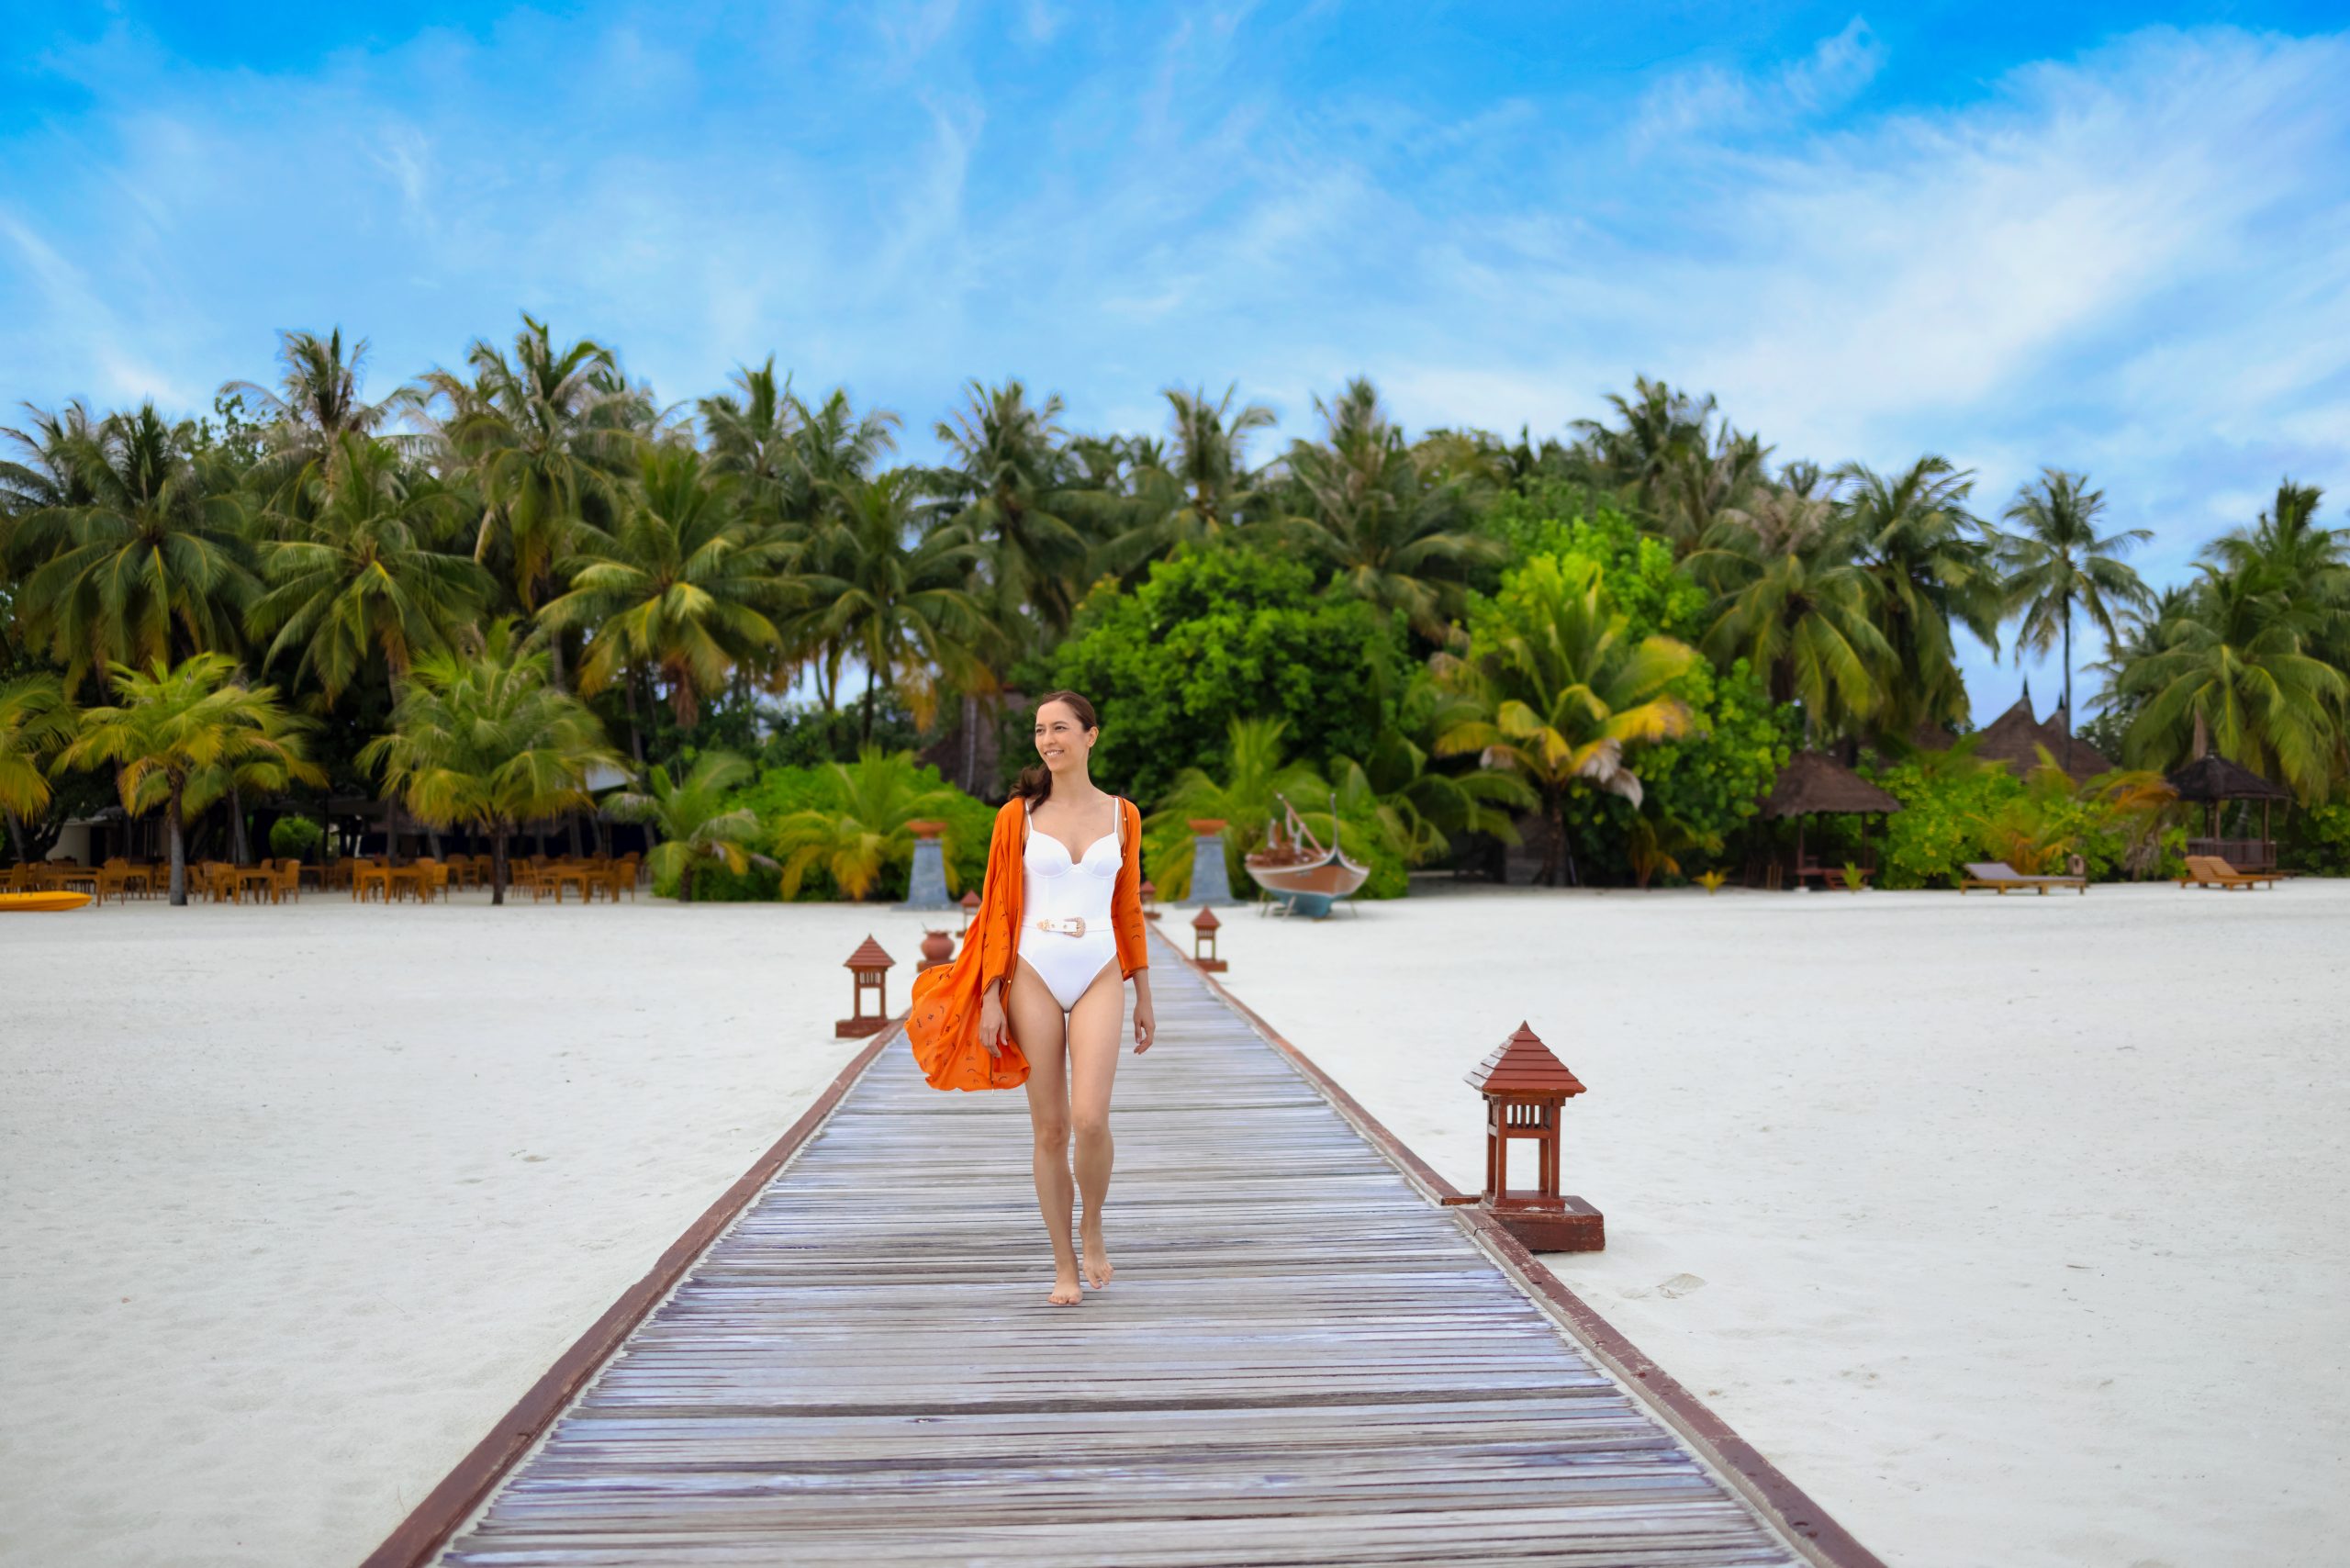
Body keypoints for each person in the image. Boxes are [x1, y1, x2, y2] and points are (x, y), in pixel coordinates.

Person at [973, 690, 1156, 1305]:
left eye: (1060, 729)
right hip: (1031, 970)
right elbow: (998, 908)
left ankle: (1093, 1223)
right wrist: (992, 994)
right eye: (1039, 731)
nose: (1048, 740)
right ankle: (1063, 1267)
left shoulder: (1123, 815)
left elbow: (1128, 907)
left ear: (1090, 736)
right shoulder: (1016, 816)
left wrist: (1144, 992)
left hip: (1101, 967)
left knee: (1090, 1119)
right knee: (1050, 1128)